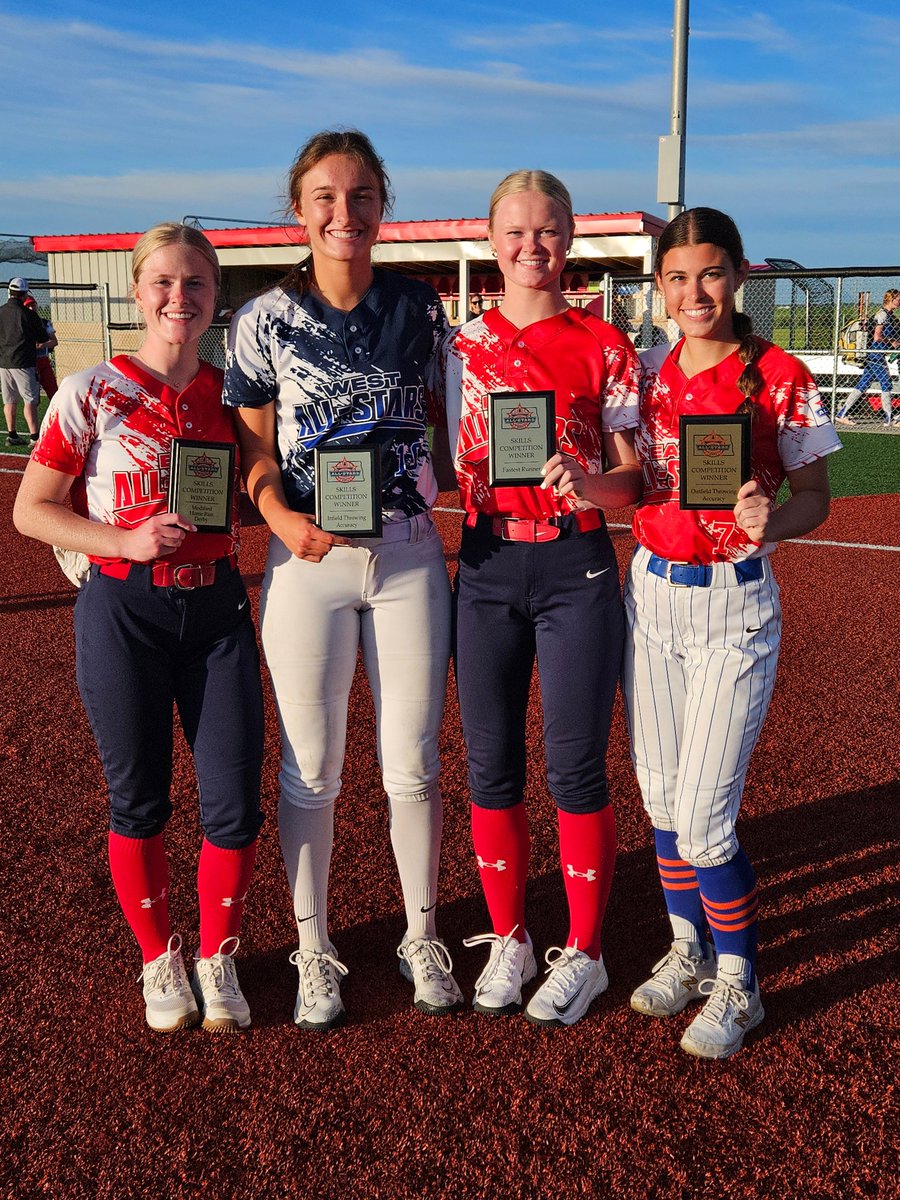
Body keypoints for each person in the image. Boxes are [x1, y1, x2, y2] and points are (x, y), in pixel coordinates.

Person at [223, 129, 462, 1029]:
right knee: (312, 769)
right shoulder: (262, 321)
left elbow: (454, 424)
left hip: (403, 552)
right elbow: (252, 446)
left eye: (361, 195)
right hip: (307, 559)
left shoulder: (420, 310)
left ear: (381, 206)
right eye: (326, 196)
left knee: (410, 764)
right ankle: (313, 946)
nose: (344, 213)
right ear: (299, 209)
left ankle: (419, 932)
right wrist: (279, 518)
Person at [13, 223, 264, 1034]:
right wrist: (119, 539)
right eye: (162, 282)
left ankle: (217, 955)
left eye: (195, 283)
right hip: (124, 609)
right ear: (135, 291)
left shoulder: (231, 398)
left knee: (232, 801)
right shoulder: (91, 390)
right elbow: (31, 510)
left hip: (218, 608)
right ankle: (161, 958)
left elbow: (258, 486)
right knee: (139, 799)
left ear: (214, 295)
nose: (178, 297)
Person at [622, 207, 841, 1058]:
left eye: (709, 273)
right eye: (677, 277)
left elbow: (818, 497)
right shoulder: (647, 371)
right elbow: (635, 479)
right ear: (661, 287)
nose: (693, 291)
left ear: (739, 274)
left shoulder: (780, 373)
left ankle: (741, 978)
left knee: (707, 819)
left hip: (732, 605)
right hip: (653, 597)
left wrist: (769, 518)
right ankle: (688, 947)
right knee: (663, 805)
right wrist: (582, 483)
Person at [445, 170, 642, 1027]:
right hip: (486, 566)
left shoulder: (606, 344)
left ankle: (588, 952)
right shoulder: (453, 348)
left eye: (549, 231)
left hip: (577, 569)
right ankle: (511, 935)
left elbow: (636, 482)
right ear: (492, 241)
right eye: (516, 232)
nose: (533, 247)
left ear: (570, 239)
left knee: (575, 769)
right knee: (489, 768)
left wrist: (590, 482)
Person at [835, 289, 900, 427]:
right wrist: (892, 342)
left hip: (875, 354)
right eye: (898, 299)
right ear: (891, 299)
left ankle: (841, 414)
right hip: (875, 354)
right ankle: (889, 417)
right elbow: (877, 337)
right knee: (886, 382)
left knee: (863, 384)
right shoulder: (882, 315)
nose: (899, 302)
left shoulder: (887, 315)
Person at [1, 276, 48, 444]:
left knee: (9, 400)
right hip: (23, 362)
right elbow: (42, 336)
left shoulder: (1, 311)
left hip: (4, 362)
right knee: (29, 400)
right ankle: (34, 437)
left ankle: (12, 434)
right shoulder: (28, 314)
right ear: (23, 295)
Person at [24, 292, 59, 401]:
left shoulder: (44, 322)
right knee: (33, 397)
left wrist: (43, 344)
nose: (31, 308)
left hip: (43, 361)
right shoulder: (21, 323)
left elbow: (54, 341)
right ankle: (34, 417)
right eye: (28, 306)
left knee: (54, 392)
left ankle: (57, 415)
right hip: (29, 363)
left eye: (33, 305)